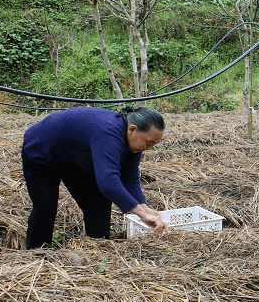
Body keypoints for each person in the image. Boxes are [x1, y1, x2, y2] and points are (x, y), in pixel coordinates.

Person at [21, 106, 168, 249]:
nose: (149, 148)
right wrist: (142, 215)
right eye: (148, 142)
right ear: (132, 129)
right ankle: (38, 255)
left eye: (154, 144)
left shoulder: (134, 143)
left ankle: (98, 252)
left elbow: (129, 177)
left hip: (76, 156)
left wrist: (145, 208)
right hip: (42, 151)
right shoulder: (109, 133)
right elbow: (109, 182)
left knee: (99, 206)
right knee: (45, 208)